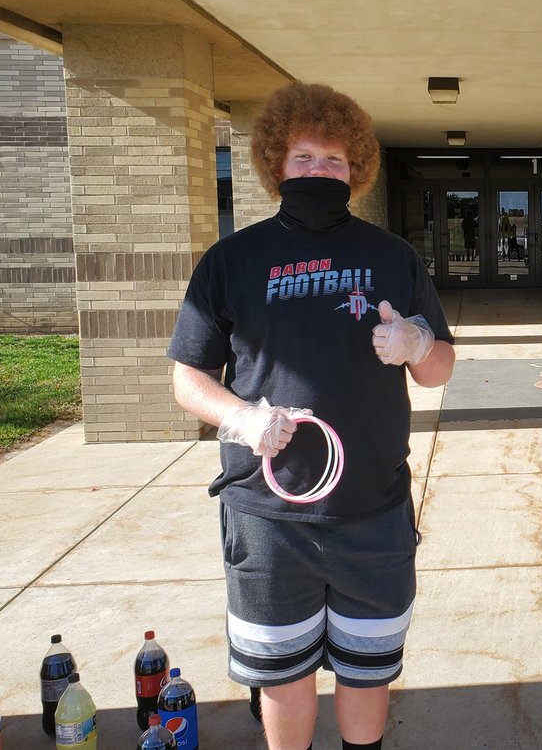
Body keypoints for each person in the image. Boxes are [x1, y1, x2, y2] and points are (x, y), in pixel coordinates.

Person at [168, 82, 456, 750]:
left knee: (367, 673)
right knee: (282, 678)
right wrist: (240, 419)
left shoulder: (393, 257)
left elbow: (439, 370)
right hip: (269, 519)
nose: (319, 172)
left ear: (356, 169)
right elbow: (188, 375)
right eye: (304, 158)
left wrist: (417, 344)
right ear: (277, 165)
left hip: (373, 512)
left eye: (333, 160)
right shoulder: (231, 261)